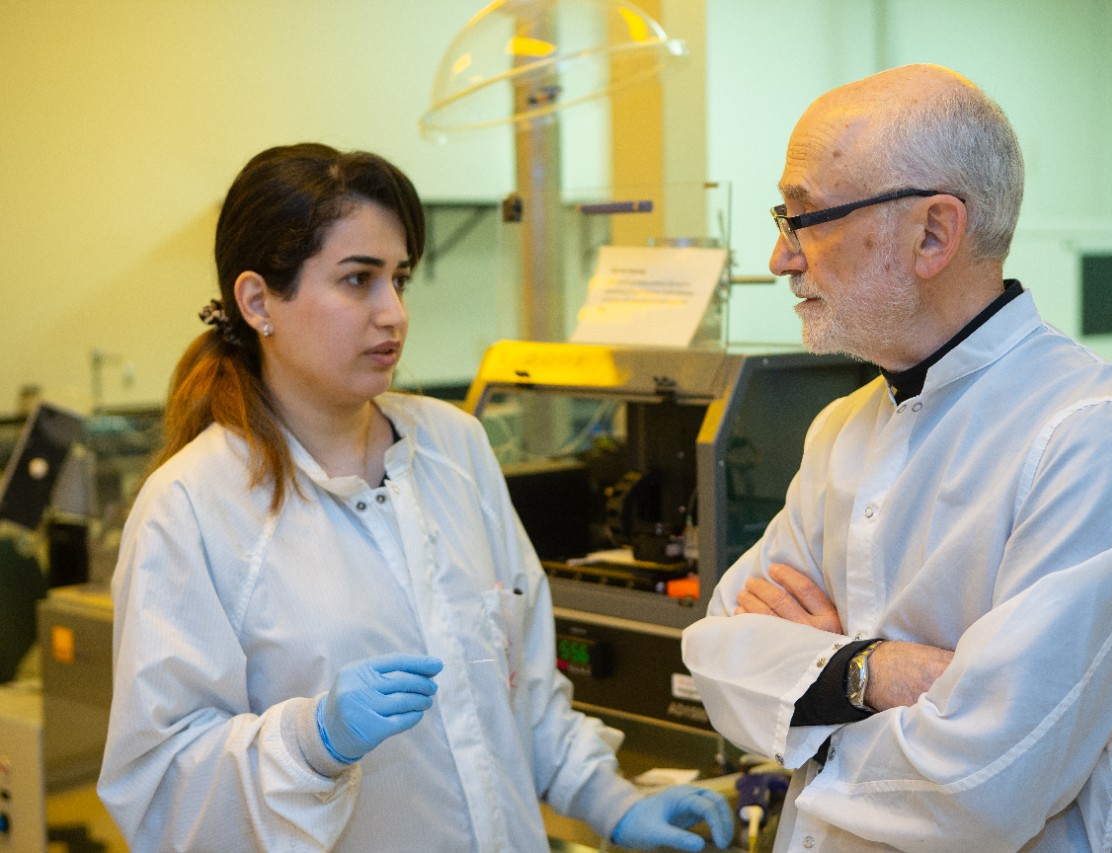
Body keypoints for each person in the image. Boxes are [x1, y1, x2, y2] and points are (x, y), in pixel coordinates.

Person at [98, 143, 732, 853]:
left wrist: (611, 799)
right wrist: (311, 741)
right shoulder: (191, 506)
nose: (393, 312)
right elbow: (159, 790)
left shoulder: (454, 447)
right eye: (357, 280)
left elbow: (521, 683)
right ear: (257, 301)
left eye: (399, 279)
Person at [682, 64, 1112, 852]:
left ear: (933, 233)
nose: (781, 258)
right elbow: (714, 652)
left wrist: (809, 699)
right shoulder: (842, 428)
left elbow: (982, 786)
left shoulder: (1091, 434)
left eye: (803, 219)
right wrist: (873, 672)